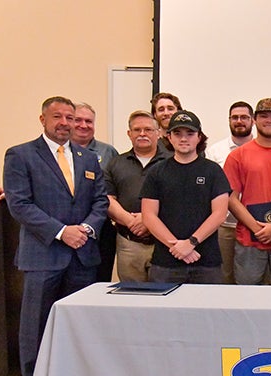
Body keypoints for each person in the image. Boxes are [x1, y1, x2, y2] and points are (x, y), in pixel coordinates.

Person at [2, 96, 108, 376]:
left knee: (78, 327)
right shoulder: (21, 155)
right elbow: (19, 204)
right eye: (58, 117)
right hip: (43, 256)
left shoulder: (88, 158)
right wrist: (62, 232)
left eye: (70, 117)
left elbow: (100, 201)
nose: (65, 123)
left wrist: (86, 229)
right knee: (35, 327)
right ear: (43, 119)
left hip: (82, 256)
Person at [140, 110, 230, 283]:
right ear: (169, 137)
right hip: (166, 263)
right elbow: (149, 215)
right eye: (177, 133)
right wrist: (177, 247)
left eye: (190, 133)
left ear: (199, 137)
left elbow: (219, 214)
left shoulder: (213, 171)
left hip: (206, 262)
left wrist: (190, 243)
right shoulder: (156, 172)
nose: (183, 139)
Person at [224, 98, 271, 285]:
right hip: (249, 240)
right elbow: (230, 198)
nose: (269, 120)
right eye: (264, 116)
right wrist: (256, 228)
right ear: (255, 119)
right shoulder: (237, 156)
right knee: (247, 295)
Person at [104, 110, 169, 282]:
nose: (142, 134)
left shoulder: (172, 162)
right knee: (131, 294)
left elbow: (179, 200)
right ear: (129, 133)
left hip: (164, 242)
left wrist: (148, 220)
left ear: (158, 133)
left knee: (165, 293)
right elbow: (108, 199)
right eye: (137, 130)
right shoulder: (116, 163)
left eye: (148, 130)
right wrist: (130, 221)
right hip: (128, 243)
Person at [205, 101, 255, 284]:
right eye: (235, 117)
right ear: (229, 120)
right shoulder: (214, 151)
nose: (239, 121)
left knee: (250, 278)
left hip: (254, 225)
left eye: (244, 117)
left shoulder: (261, 149)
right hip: (224, 225)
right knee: (223, 276)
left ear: (253, 121)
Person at [71, 102, 119, 282]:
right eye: (78, 120)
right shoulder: (56, 152)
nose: (83, 125)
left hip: (100, 227)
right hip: (66, 227)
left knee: (100, 280)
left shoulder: (108, 152)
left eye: (89, 121)